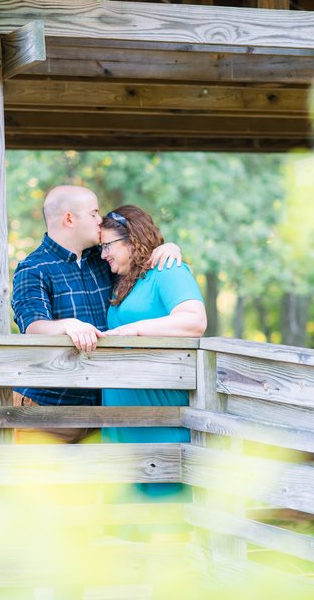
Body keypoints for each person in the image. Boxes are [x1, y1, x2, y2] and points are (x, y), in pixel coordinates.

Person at [10, 186, 181, 443]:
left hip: (102, 409)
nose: (100, 219)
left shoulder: (104, 259)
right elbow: (33, 325)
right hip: (48, 409)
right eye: (93, 213)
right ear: (69, 219)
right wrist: (67, 325)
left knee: (104, 483)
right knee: (45, 483)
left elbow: (140, 261)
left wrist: (168, 247)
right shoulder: (33, 268)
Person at [99, 204, 207, 500]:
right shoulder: (124, 280)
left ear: (132, 238)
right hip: (120, 421)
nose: (103, 254)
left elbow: (194, 320)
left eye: (107, 246)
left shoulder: (167, 270)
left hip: (159, 417)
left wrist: (135, 330)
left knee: (164, 519)